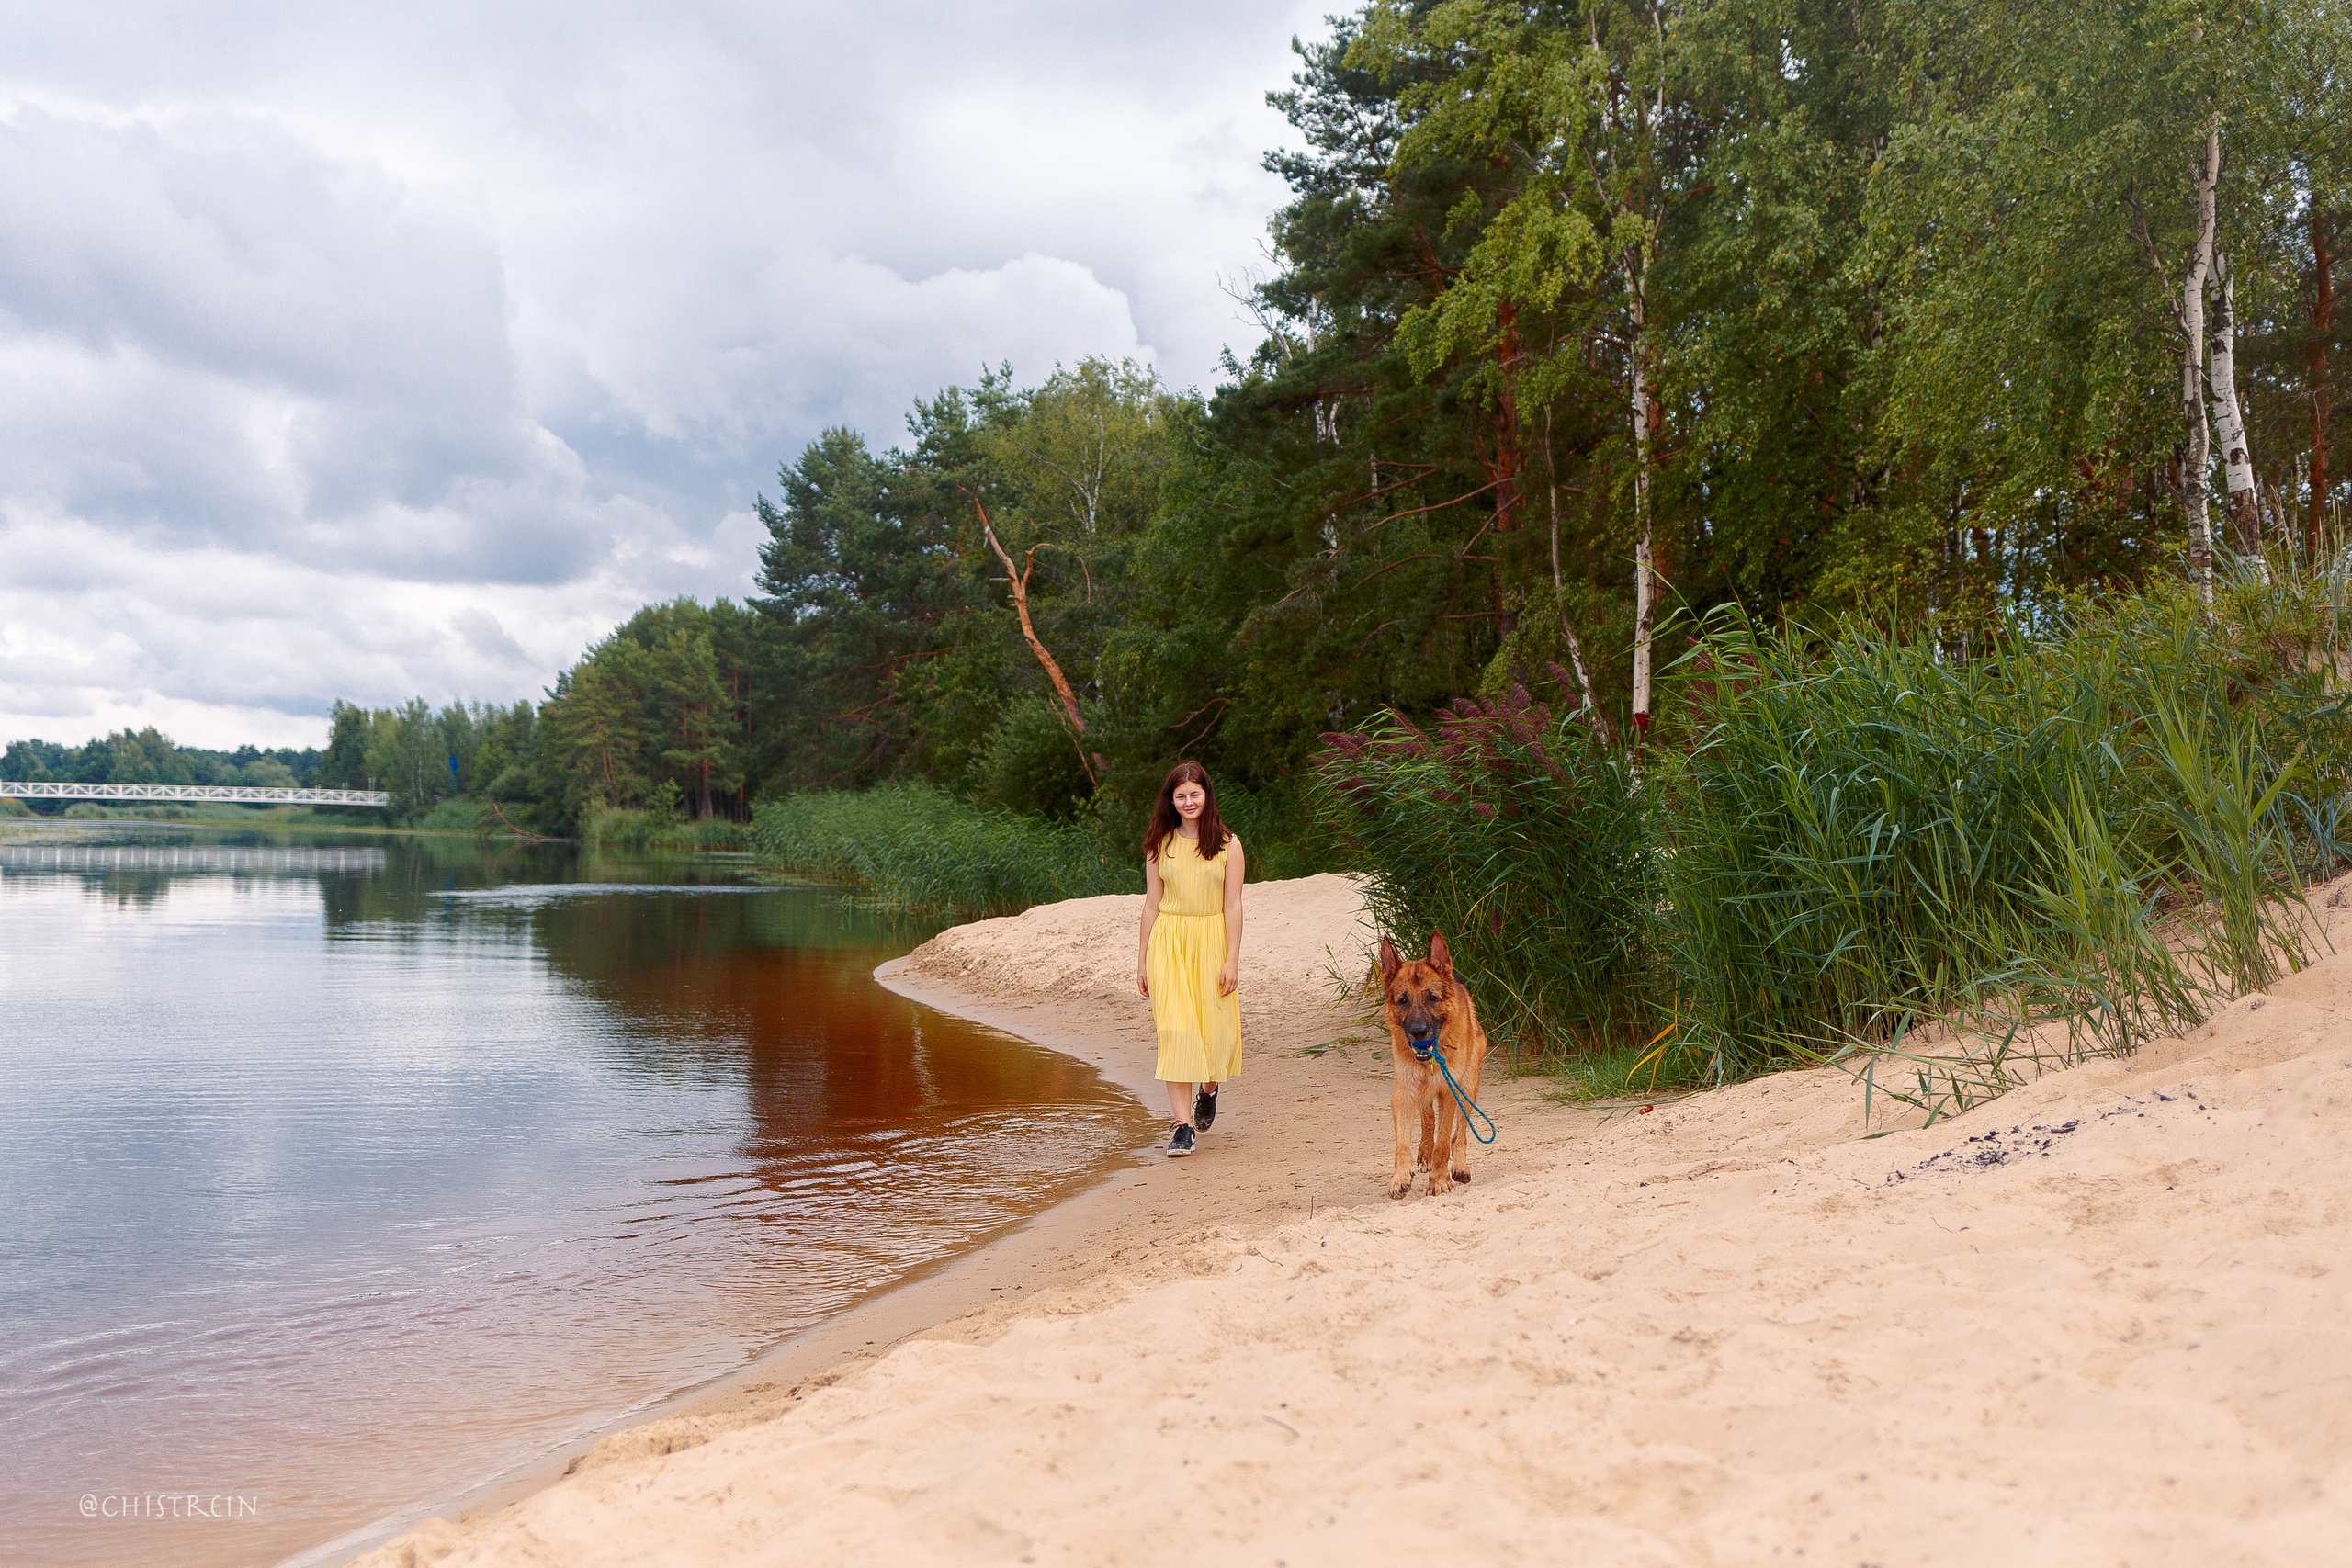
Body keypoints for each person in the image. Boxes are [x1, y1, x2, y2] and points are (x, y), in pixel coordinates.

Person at [1135, 761, 1244, 1157]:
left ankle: (1210, 1091)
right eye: (1180, 796)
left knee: (1213, 1034)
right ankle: (1182, 1127)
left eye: (1195, 794)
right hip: (1170, 943)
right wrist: (1143, 960)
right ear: (1172, 800)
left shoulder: (1229, 845)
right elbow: (1151, 905)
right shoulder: (1158, 845)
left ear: (1206, 795)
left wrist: (1232, 959)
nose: (1188, 802)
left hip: (1212, 941)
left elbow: (1233, 905)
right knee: (1176, 1034)